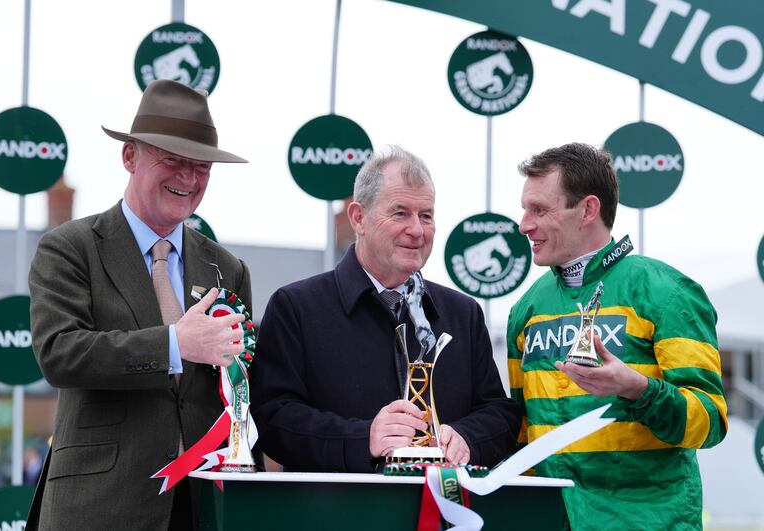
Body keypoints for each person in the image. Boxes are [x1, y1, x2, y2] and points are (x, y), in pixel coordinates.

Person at [26, 80, 252, 531]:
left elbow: (242, 390)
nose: (188, 179)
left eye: (201, 166)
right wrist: (173, 344)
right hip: (100, 507)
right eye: (173, 160)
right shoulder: (70, 248)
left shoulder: (228, 268)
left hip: (203, 506)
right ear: (130, 156)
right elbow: (60, 353)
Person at [250, 145, 521, 472]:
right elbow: (273, 418)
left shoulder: (463, 314)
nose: (417, 230)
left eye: (426, 215)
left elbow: (499, 414)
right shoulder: (296, 308)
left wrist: (465, 438)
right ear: (358, 218)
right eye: (400, 213)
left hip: (443, 518)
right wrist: (364, 438)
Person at [507, 142, 727, 530]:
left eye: (539, 209)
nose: (524, 224)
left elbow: (709, 422)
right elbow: (523, 433)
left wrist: (639, 390)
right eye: (525, 209)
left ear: (589, 209)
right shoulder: (527, 308)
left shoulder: (667, 292)